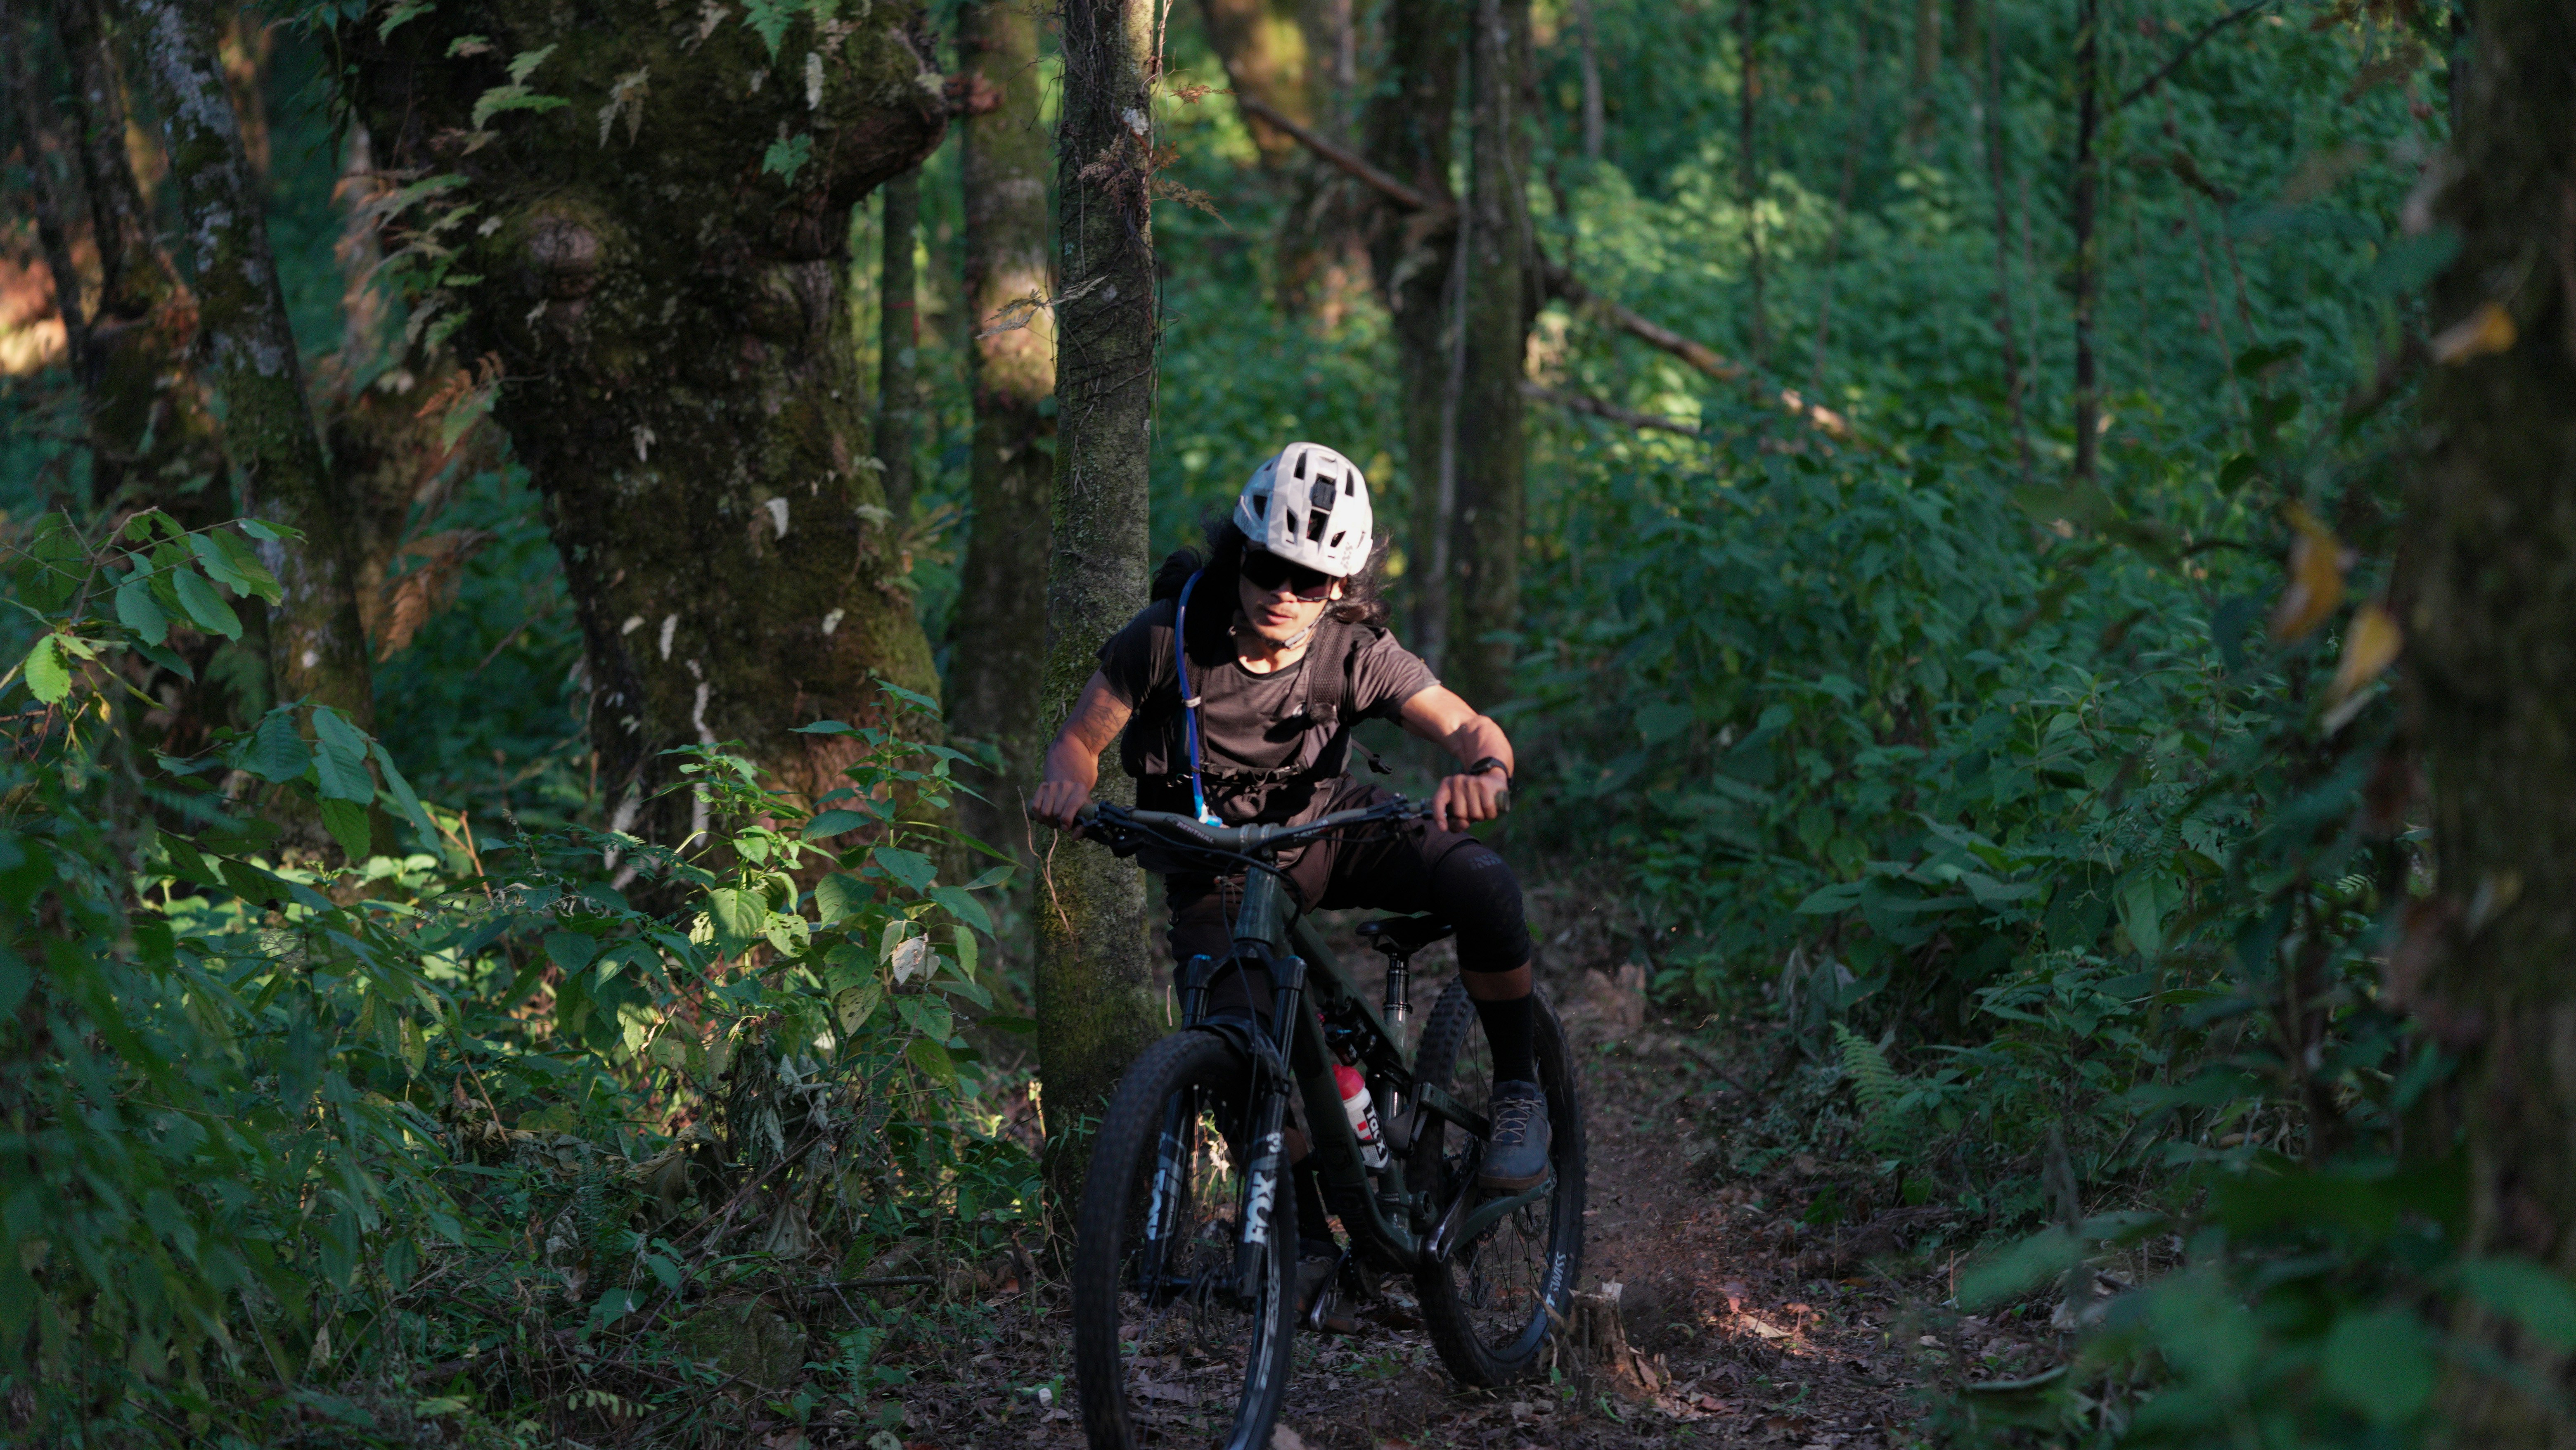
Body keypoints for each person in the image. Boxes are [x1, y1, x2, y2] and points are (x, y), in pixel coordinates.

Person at [1026, 442, 1548, 1213]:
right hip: (1216, 867)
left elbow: (1469, 727)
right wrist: (1067, 785)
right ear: (1239, 555)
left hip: (1329, 831)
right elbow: (1080, 739)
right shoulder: (1170, 636)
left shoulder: (1353, 651)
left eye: (1308, 580)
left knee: (1483, 881)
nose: (1283, 593)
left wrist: (1488, 772)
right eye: (1269, 567)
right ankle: (1297, 1233)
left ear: (1338, 586)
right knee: (1234, 1053)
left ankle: (1518, 1093)